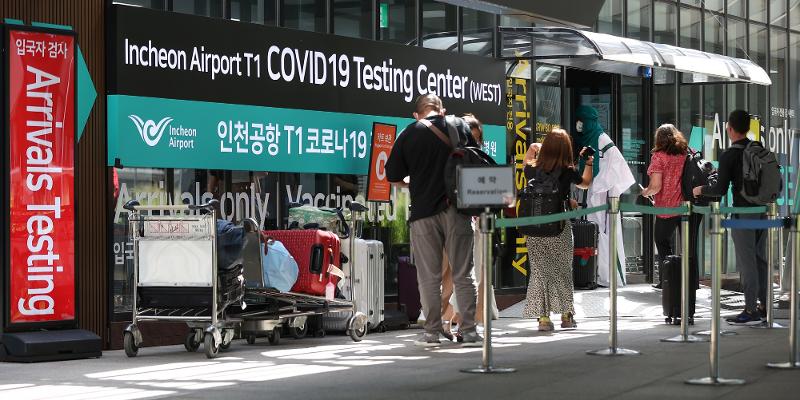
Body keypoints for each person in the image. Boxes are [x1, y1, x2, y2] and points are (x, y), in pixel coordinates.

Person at [385, 94, 482, 347]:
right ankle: (469, 332)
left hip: (423, 214)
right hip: (457, 211)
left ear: (417, 114)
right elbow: (476, 162)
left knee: (429, 277)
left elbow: (393, 177)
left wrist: (415, 183)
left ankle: (432, 332)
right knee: (463, 273)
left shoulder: (408, 133)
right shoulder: (459, 125)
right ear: (442, 111)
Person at [693, 109, 767, 325]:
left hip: (743, 214)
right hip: (762, 212)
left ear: (730, 128)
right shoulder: (758, 149)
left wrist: (700, 190)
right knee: (760, 260)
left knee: (747, 263)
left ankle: (750, 310)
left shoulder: (729, 154)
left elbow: (719, 190)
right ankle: (763, 307)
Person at [522, 129, 594, 331]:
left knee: (540, 271)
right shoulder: (566, 170)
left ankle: (544, 319)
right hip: (559, 227)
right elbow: (586, 184)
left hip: (534, 228)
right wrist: (589, 162)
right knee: (562, 270)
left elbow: (525, 160)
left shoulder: (532, 169)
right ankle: (566, 316)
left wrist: (532, 147)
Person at [574, 105, 636, 288]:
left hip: (605, 198)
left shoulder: (603, 140)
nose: (579, 125)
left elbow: (619, 169)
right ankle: (593, 274)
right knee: (592, 235)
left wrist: (601, 186)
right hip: (592, 196)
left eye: (582, 121)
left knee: (605, 235)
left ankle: (608, 276)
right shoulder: (588, 140)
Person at [640, 124, 689, 290]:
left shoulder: (659, 157)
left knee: (662, 243)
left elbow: (655, 186)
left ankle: (667, 281)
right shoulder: (685, 154)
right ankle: (686, 281)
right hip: (685, 206)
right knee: (688, 247)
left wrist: (645, 192)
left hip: (666, 209)